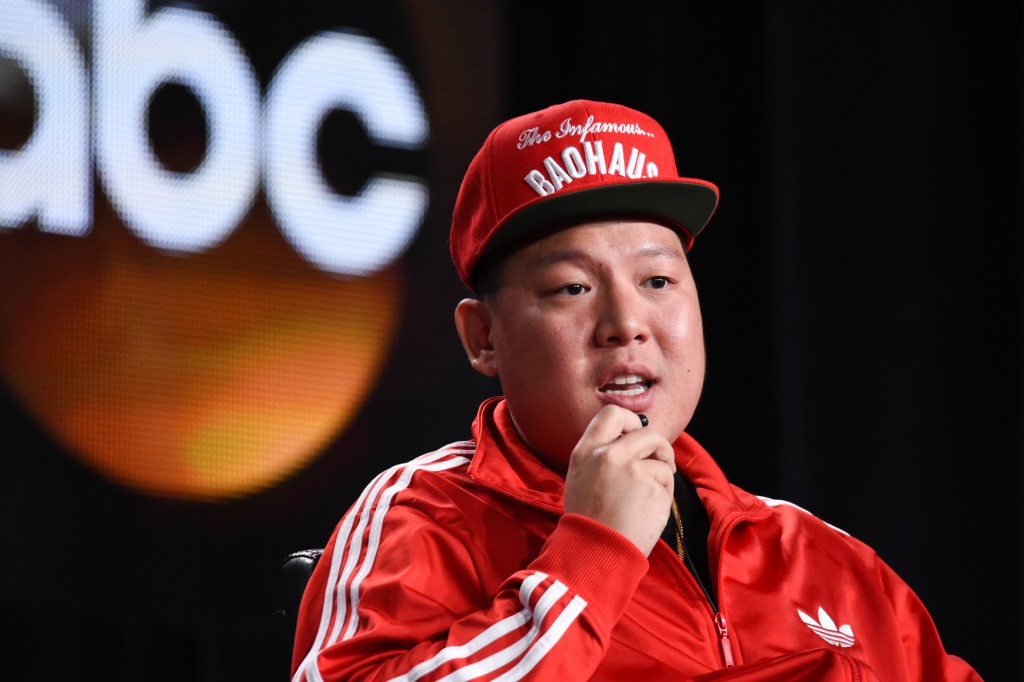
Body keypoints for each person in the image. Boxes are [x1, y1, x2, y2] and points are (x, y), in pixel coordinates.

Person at [290, 99, 980, 681]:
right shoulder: (422, 518)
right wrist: (592, 554)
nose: (626, 326)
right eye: (572, 289)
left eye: (657, 281)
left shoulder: (824, 558)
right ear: (483, 338)